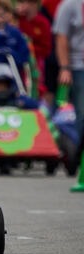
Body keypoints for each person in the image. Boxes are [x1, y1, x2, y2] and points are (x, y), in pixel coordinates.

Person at [53, 0, 84, 153]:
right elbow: (61, 37)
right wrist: (65, 67)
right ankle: (78, 154)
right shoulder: (69, 5)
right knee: (82, 112)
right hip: (79, 66)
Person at [16, 0, 52, 95]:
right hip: (19, 61)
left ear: (34, 4)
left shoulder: (43, 22)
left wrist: (28, 49)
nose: (21, 5)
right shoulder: (17, 19)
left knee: (35, 88)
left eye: (24, 2)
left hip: (36, 64)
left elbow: (46, 49)